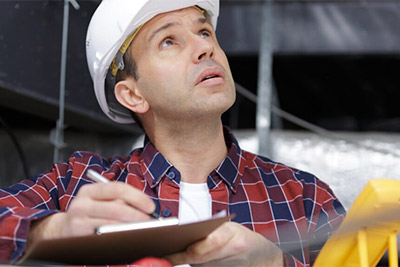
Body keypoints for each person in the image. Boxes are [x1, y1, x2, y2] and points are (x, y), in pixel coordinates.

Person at [0, 0, 345, 266]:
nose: (204, 48)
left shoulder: (303, 196)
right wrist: (51, 231)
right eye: (168, 41)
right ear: (132, 94)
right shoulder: (76, 184)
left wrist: (275, 262)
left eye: (205, 32)